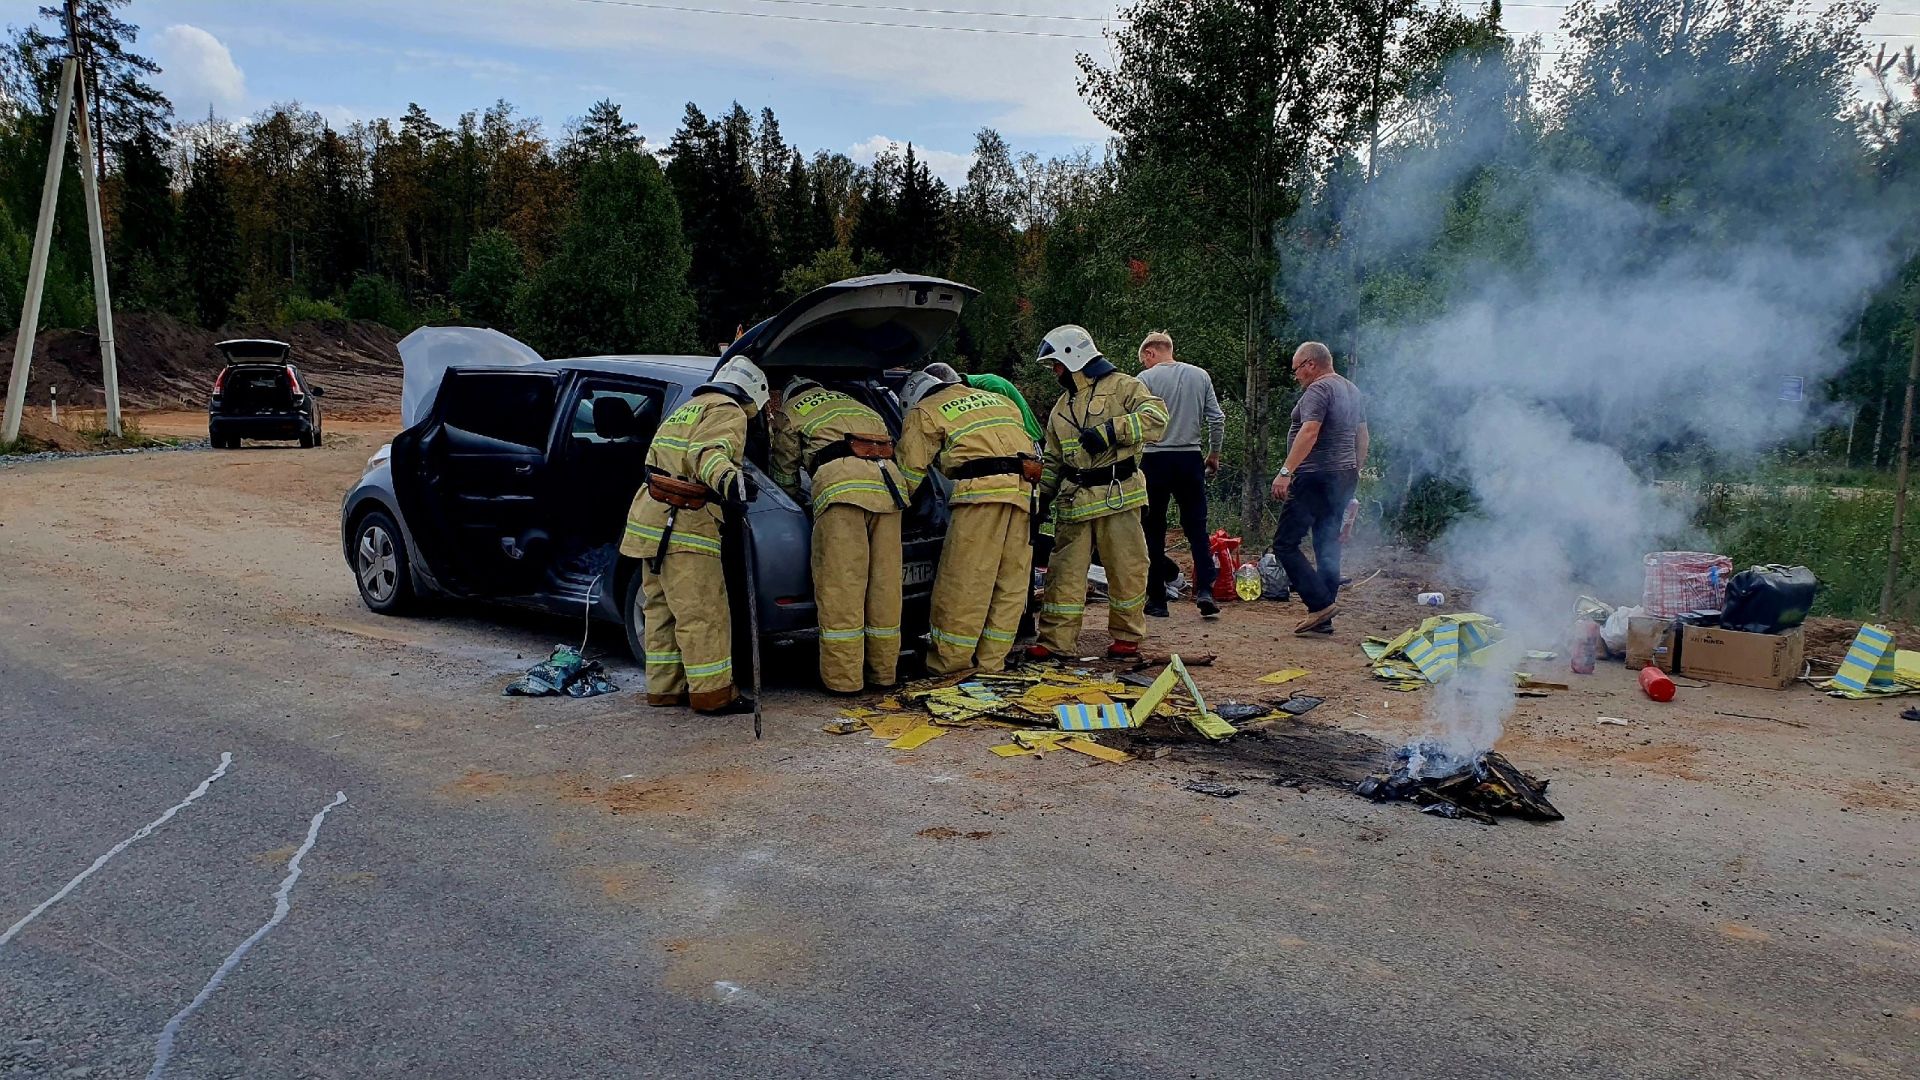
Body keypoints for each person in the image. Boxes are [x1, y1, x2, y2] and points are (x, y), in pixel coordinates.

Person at [619, 355, 769, 714]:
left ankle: (665, 689)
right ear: (752, 392)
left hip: (650, 518)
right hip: (685, 523)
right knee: (703, 612)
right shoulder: (727, 410)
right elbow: (708, 455)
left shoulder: (689, 407)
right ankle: (713, 694)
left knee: (661, 609)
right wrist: (733, 484)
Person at [1027, 325, 1169, 662]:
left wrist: (1111, 431)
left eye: (1056, 365)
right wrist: (1042, 499)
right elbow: (1053, 459)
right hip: (1075, 502)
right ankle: (1055, 642)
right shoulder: (1062, 408)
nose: (1055, 373)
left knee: (1127, 569)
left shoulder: (1125, 386)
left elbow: (1157, 418)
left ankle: (1127, 638)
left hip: (1118, 495)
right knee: (1063, 575)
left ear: (1072, 357)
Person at [896, 363, 1039, 674]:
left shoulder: (925, 411)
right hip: (1024, 494)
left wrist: (896, 507)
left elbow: (909, 471)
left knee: (963, 582)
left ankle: (950, 663)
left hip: (980, 498)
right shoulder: (999, 400)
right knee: (1009, 582)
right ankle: (991, 663)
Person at [769, 376, 908, 693]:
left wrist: (794, 500)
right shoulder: (860, 405)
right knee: (884, 587)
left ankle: (844, 681)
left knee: (843, 586)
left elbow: (783, 468)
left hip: (841, 491)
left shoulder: (792, 409)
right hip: (890, 492)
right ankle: (883, 673)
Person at [1270, 341, 1368, 635]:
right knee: (1327, 544)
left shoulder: (1319, 389)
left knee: (1285, 543)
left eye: (1296, 369)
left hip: (1316, 476)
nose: (1296, 376)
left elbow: (1310, 430)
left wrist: (1286, 471)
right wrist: (1355, 469)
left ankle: (1319, 604)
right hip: (1343, 475)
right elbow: (1362, 435)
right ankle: (1323, 618)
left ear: (1310, 364)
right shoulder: (1352, 389)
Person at [1135, 330, 1225, 620]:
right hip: (1190, 459)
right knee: (1197, 528)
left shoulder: (1144, 380)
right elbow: (1217, 418)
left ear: (1150, 353)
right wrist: (1214, 453)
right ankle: (1205, 591)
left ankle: (1157, 600)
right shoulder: (1200, 376)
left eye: (1145, 359)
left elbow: (1135, 423)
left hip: (1154, 460)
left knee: (1153, 530)